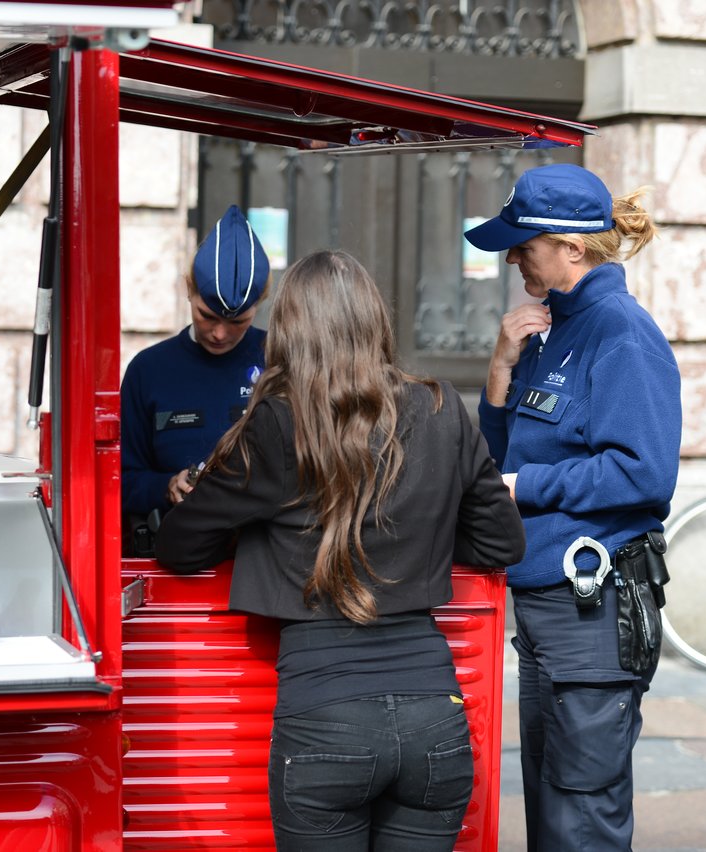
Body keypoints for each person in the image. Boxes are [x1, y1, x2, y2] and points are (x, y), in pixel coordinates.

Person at [153, 250, 526, 850]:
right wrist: (419, 523)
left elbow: (179, 545)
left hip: (322, 718)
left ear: (290, 331)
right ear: (377, 320)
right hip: (437, 716)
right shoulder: (441, 408)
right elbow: (501, 541)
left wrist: (258, 523)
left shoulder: (274, 423)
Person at [464, 163, 681, 851]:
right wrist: (500, 371)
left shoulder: (621, 331)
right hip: (548, 607)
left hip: (593, 608)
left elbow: (643, 472)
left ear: (571, 249)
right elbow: (498, 459)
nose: (512, 257)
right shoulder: (551, 327)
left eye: (523, 245)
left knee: (580, 818)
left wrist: (529, 487)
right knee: (552, 809)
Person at [120, 204, 270, 552]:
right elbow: (120, 480)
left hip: (261, 564)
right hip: (173, 558)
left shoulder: (278, 360)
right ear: (188, 288)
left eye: (237, 322)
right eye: (206, 316)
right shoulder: (149, 370)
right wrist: (166, 487)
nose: (219, 333)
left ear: (259, 304)